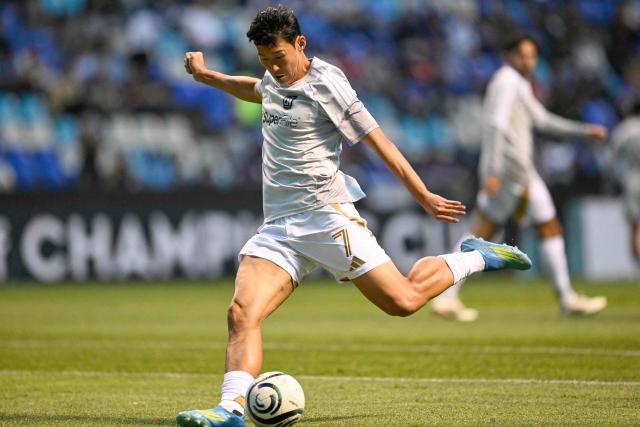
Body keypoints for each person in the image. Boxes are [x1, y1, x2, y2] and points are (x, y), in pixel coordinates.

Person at [176, 7, 531, 427]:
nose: (274, 68)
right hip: (279, 226)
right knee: (240, 313)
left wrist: (423, 195)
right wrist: (207, 76)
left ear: (300, 44)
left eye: (279, 57)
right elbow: (258, 90)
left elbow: (379, 142)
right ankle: (230, 410)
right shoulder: (274, 77)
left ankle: (475, 256)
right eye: (265, 60)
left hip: (327, 218)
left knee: (403, 301)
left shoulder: (329, 83)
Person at [431, 33, 608, 322]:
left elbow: (542, 120)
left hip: (511, 172)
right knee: (547, 227)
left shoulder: (517, 83)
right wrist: (490, 170)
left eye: (532, 55)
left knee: (481, 233)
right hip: (513, 172)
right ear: (509, 56)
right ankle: (567, 298)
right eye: (524, 55)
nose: (529, 60)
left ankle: (447, 298)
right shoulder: (508, 81)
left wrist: (584, 131)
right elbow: (495, 126)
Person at [611, 100, 640, 264]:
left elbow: (611, 156)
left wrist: (613, 179)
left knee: (634, 226)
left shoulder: (625, 129)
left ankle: (637, 267)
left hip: (632, 178)